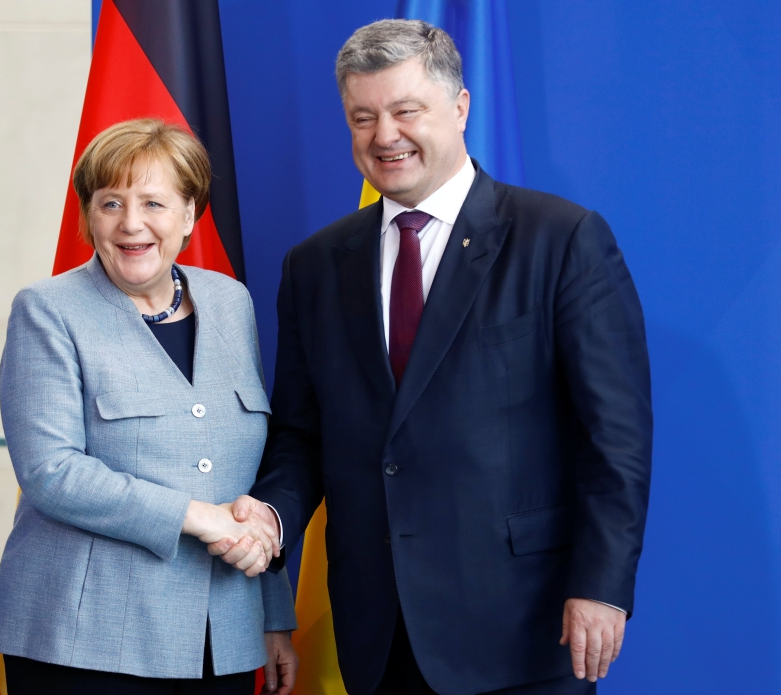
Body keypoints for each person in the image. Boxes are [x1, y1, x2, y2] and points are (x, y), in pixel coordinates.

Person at [211, 19, 652, 695]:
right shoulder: (314, 266)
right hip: (378, 632)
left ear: (461, 106)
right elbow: (303, 435)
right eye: (363, 117)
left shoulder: (561, 240)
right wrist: (270, 517)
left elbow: (615, 438)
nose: (384, 135)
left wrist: (602, 585)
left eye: (405, 110)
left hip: (525, 628)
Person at [0, 118, 299, 695]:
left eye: (154, 202)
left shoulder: (231, 303)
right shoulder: (47, 310)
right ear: (89, 218)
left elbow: (245, 478)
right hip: (85, 639)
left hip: (222, 635)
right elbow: (50, 472)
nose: (131, 224)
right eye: (110, 203)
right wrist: (197, 515)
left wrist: (274, 615)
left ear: (189, 215)